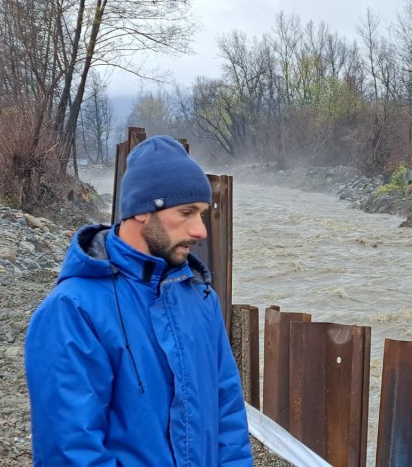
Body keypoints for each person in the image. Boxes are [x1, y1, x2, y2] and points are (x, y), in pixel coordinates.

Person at [25, 135, 253, 467]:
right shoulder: (72, 310)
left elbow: (228, 415)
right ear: (143, 211)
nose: (201, 230)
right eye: (187, 213)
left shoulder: (200, 297)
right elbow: (71, 451)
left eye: (202, 214)